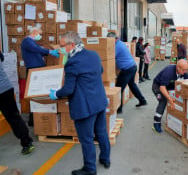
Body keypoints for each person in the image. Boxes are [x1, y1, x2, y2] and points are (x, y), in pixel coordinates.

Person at [49, 31, 110, 175]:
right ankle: (105, 159)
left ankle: (90, 168)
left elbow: (68, 89)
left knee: (86, 138)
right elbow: (100, 70)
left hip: (85, 107)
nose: (61, 49)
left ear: (72, 44)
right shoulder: (94, 54)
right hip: (99, 101)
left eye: (63, 46)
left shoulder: (72, 62)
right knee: (101, 132)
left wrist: (56, 94)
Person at [21, 27, 59, 126]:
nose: (40, 36)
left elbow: (38, 50)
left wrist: (47, 52)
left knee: (40, 94)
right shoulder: (27, 41)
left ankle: (38, 117)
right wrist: (50, 52)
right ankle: (32, 120)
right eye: (39, 34)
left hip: (38, 70)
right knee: (35, 95)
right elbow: (36, 49)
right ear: (34, 32)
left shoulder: (32, 42)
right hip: (33, 71)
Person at [0, 51, 34, 155]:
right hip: (7, 88)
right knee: (14, 117)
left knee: (13, 117)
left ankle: (27, 142)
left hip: (2, 91)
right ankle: (27, 142)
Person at [107, 32, 147, 114]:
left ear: (114, 39)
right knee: (132, 84)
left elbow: (109, 57)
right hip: (132, 66)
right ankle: (142, 100)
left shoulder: (117, 46)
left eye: (109, 40)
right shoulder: (121, 43)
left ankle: (119, 108)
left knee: (118, 88)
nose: (108, 42)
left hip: (127, 69)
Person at [152, 59, 188, 133]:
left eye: (186, 70)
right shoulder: (168, 72)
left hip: (169, 86)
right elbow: (162, 88)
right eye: (184, 70)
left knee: (177, 98)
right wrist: (169, 99)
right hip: (158, 86)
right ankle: (156, 123)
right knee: (163, 100)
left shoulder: (183, 72)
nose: (185, 72)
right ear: (178, 67)